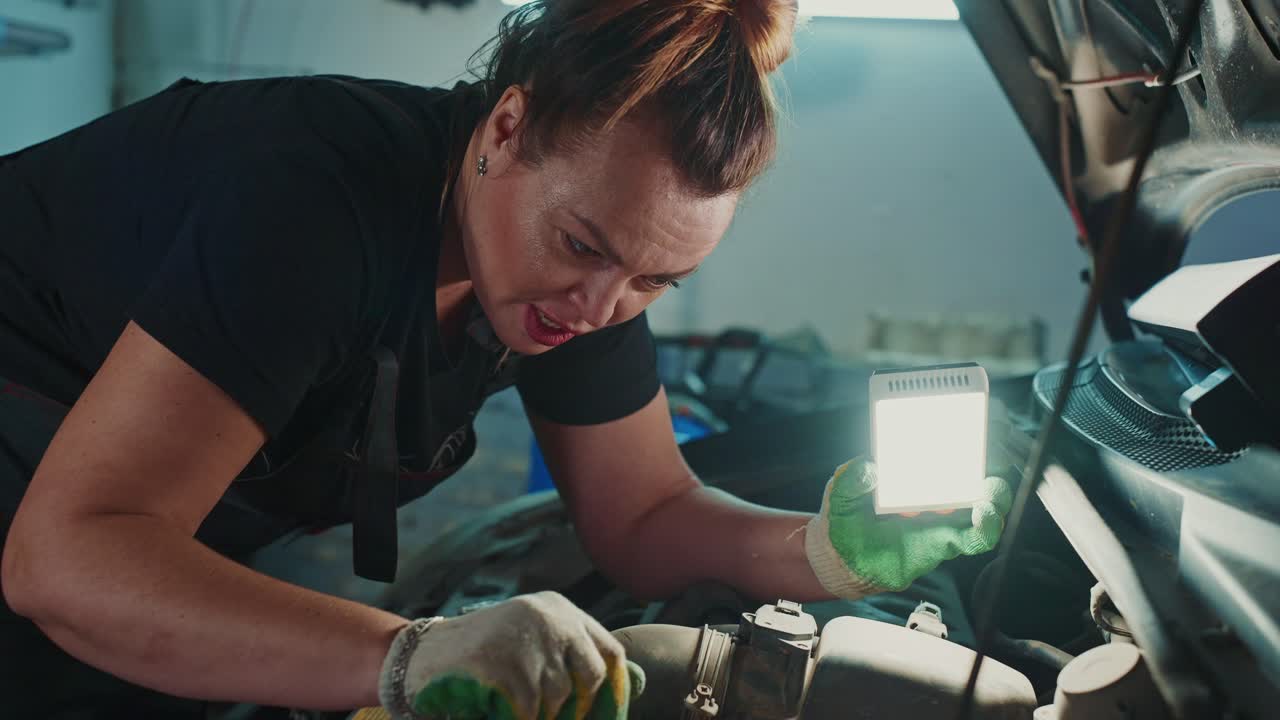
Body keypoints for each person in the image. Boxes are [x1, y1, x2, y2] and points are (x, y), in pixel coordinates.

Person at [0, 0, 1012, 717]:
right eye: (582, 246)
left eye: (656, 281)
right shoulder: (309, 203)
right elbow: (71, 558)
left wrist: (823, 550)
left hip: (128, 554)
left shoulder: (572, 279)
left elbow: (644, 515)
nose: (599, 309)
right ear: (508, 126)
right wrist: (405, 656)